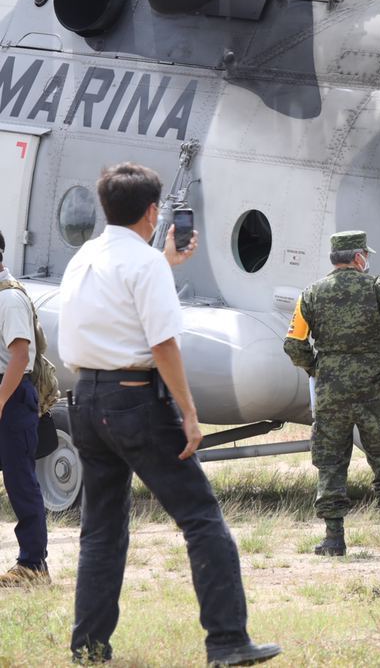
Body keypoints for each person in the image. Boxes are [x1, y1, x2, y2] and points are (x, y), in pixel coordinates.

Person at [58, 162, 280, 666]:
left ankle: (89, 648)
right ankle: (227, 641)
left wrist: (163, 261)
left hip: (86, 401)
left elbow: (122, 291)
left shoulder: (86, 255)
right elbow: (162, 343)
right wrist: (190, 411)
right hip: (134, 398)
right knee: (201, 518)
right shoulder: (146, 264)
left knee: (102, 530)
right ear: (154, 211)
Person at [284, 230, 380, 556]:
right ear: (360, 256)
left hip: (331, 391)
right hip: (375, 389)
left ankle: (334, 538)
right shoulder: (379, 289)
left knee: (331, 463)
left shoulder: (311, 294)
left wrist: (317, 369)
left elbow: (293, 344)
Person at [0, 231, 49, 587]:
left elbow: (19, 356)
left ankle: (33, 566)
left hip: (11, 396)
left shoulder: (10, 299)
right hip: (6, 395)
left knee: (21, 482)